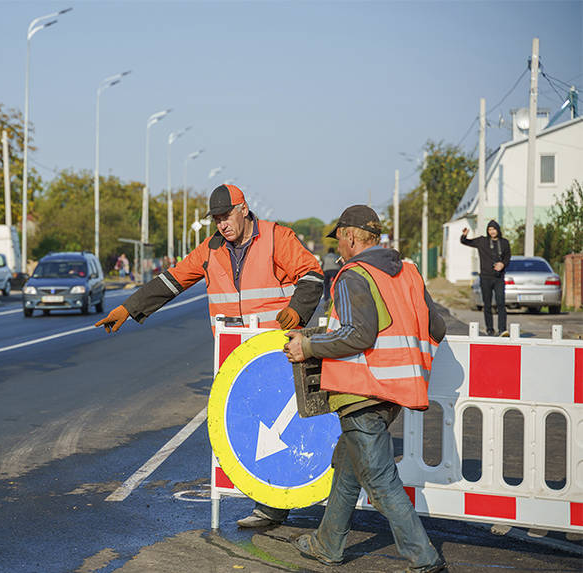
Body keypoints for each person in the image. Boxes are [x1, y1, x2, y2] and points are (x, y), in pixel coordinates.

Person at [95, 183, 324, 528]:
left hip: (276, 353)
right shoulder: (210, 249)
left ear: (243, 209)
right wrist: (129, 308)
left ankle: (291, 495)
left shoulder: (276, 238)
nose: (222, 224)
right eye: (216, 219)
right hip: (234, 357)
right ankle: (270, 500)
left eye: (226, 216)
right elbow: (172, 280)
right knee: (249, 426)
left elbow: (311, 275)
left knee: (287, 424)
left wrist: (297, 310)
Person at [283, 205, 447, 573]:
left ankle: (424, 559)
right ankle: (328, 544)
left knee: (379, 479)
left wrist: (307, 346)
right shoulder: (409, 272)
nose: (337, 247)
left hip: (361, 392)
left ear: (351, 237)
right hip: (395, 392)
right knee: (348, 465)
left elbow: (358, 334)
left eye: (339, 239)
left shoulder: (352, 275)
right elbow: (436, 328)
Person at [461, 220, 510, 336]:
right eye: (489, 229)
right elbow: (465, 242)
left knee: (501, 303)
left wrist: (502, 264)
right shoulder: (482, 241)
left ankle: (502, 329)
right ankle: (490, 329)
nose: (492, 231)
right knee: (487, 304)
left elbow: (508, 257)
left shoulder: (504, 242)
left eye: (494, 229)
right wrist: (464, 235)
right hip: (485, 277)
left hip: (499, 277)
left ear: (498, 230)